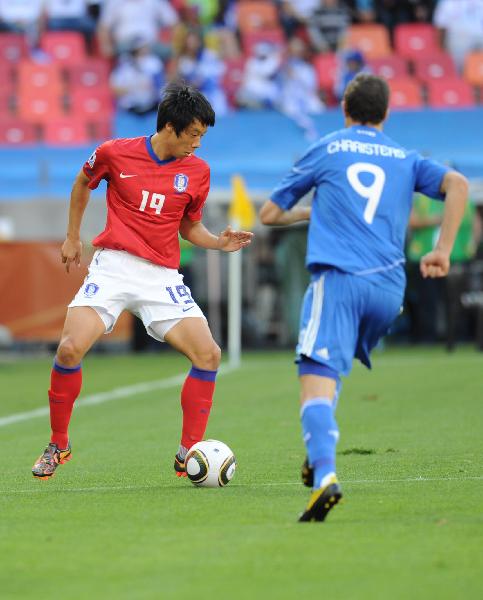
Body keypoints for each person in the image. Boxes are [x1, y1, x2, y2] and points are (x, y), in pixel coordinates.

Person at [259, 73, 468, 522]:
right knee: (333, 370)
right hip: (389, 291)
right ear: (386, 114)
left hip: (338, 280)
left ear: (344, 110)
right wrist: (442, 250)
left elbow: (269, 213)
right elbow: (460, 186)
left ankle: (326, 476)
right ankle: (318, 453)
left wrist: (309, 212)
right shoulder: (405, 156)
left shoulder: (329, 147)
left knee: (315, 371)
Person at [32, 82, 253, 480]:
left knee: (209, 355)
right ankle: (58, 444)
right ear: (170, 127)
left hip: (161, 277)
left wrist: (218, 242)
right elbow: (83, 183)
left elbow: (190, 227)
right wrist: (70, 236)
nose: (198, 144)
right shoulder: (115, 153)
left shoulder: (198, 172)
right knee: (69, 349)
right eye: (195, 134)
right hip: (114, 266)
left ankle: (188, 453)